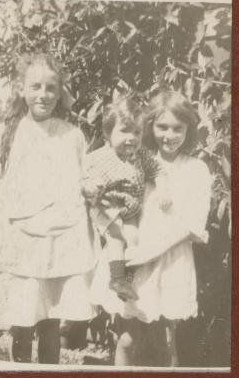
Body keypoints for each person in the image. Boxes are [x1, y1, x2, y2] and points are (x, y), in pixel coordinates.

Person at [0, 53, 96, 364]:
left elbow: (81, 183)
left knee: (50, 317)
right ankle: (19, 367)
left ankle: (49, 368)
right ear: (21, 88)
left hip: (60, 240)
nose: (43, 94)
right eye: (35, 86)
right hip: (22, 239)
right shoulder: (5, 133)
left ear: (60, 92)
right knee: (22, 318)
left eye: (50, 88)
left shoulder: (71, 135)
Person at [90, 90, 212, 366]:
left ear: (188, 130)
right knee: (127, 339)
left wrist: (151, 252)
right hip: (134, 260)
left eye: (177, 128)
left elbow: (192, 224)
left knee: (165, 342)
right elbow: (113, 205)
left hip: (169, 261)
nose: (169, 135)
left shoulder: (197, 169)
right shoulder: (136, 162)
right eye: (161, 127)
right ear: (149, 127)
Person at [83, 95, 158, 302]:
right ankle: (117, 279)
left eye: (137, 132)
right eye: (124, 131)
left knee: (134, 238)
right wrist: (90, 187)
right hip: (106, 206)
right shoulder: (98, 156)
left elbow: (157, 170)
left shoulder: (141, 154)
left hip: (130, 209)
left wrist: (165, 187)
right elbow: (83, 177)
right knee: (116, 236)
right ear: (108, 133)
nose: (131, 138)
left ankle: (126, 281)